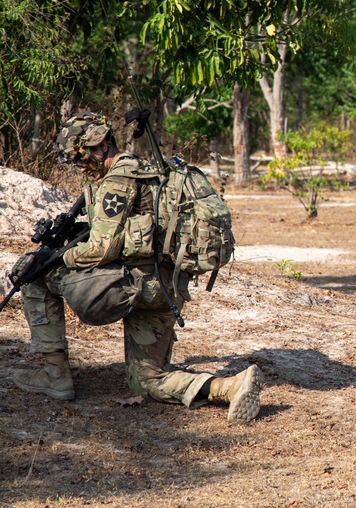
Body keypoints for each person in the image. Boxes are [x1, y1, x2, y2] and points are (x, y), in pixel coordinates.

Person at [9, 112, 262, 423]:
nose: (78, 164)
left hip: (134, 287)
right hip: (166, 290)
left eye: (80, 155)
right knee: (147, 381)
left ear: (101, 144)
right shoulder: (149, 171)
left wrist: (59, 258)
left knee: (32, 273)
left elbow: (102, 249)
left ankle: (54, 374)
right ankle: (230, 387)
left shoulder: (117, 180)